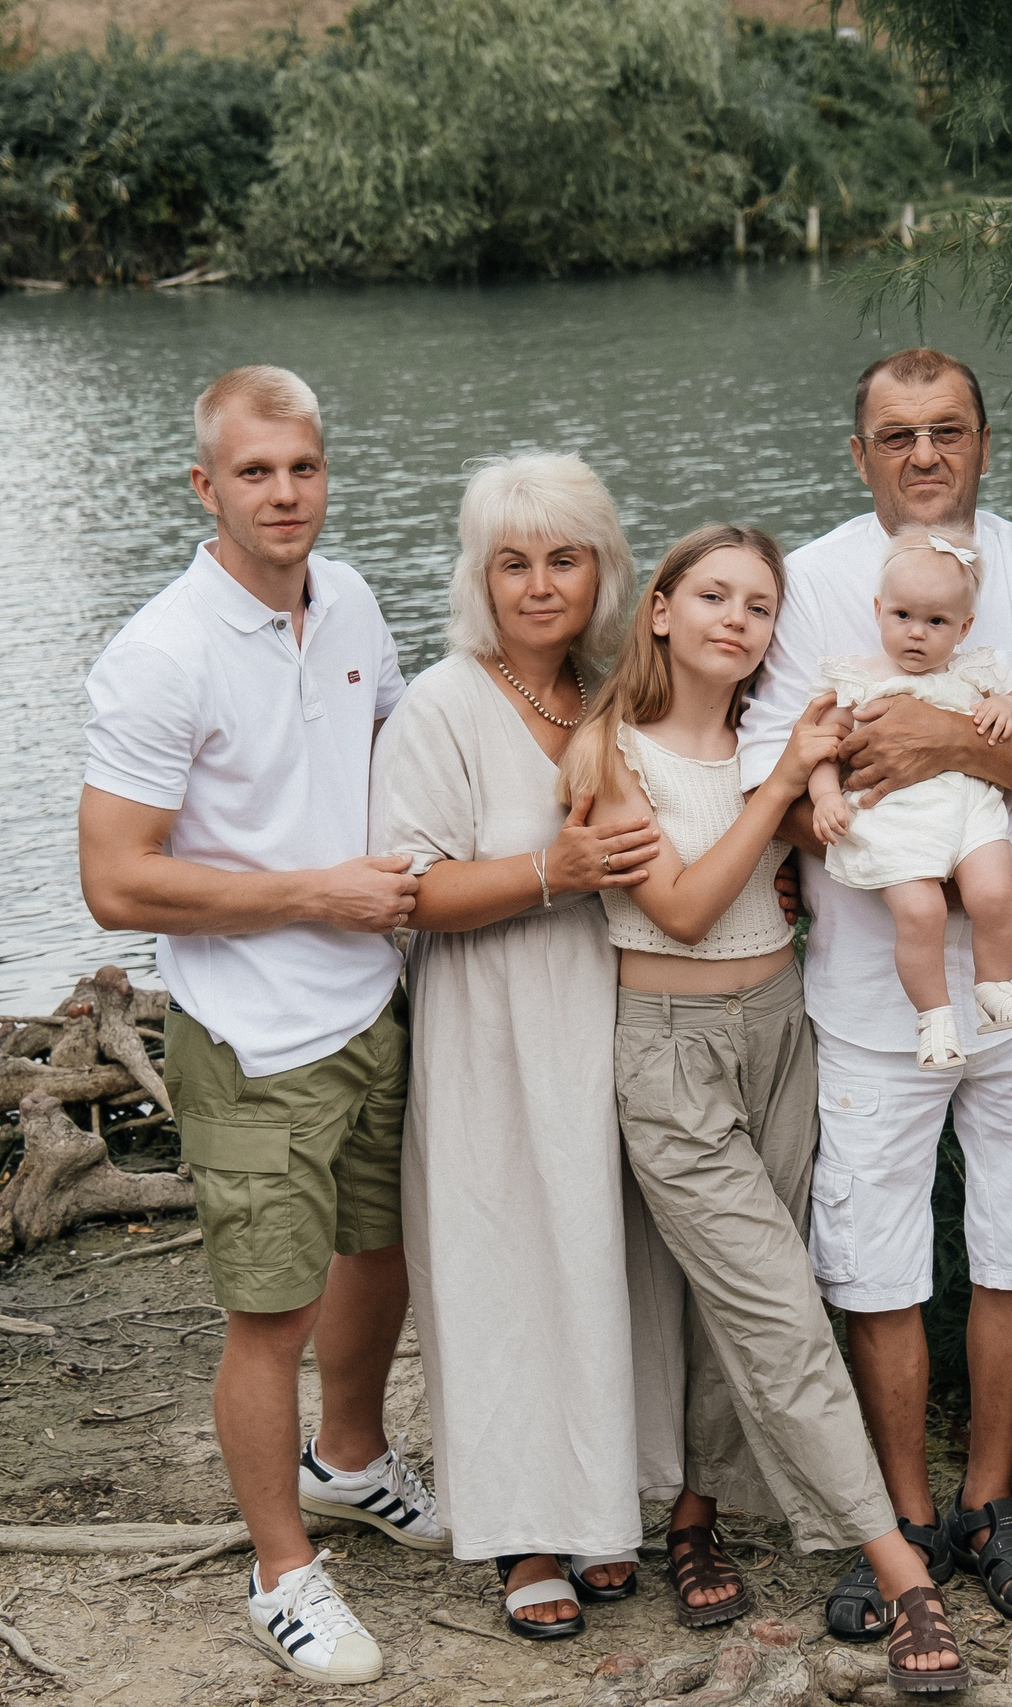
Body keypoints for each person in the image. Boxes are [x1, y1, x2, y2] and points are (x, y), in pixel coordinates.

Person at [77, 365, 445, 1687]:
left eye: (302, 467)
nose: (283, 493)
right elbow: (115, 878)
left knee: (383, 1251)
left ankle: (349, 1459)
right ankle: (282, 1567)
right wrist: (315, 892)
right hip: (250, 1033)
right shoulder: (161, 651)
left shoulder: (345, 598)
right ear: (205, 485)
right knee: (269, 1309)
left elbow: (400, 747)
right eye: (254, 472)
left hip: (370, 1003)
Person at [562, 522, 969, 1690]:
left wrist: (990, 864)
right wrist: (786, 781)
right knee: (783, 1311)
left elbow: (866, 834)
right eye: (712, 597)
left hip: (780, 1027)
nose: (736, 621)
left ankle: (696, 1515)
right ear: (660, 610)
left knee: (735, 1299)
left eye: (758, 605)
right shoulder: (611, 751)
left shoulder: (765, 737)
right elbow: (683, 907)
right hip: (670, 1049)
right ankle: (905, 1576)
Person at [736, 348, 1012, 1637]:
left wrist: (946, 738)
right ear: (859, 454)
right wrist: (813, 828)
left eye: (948, 431)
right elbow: (768, 768)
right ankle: (895, 1522)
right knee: (875, 1254)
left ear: (985, 444)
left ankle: (992, 1504)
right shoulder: (814, 581)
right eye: (897, 436)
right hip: (866, 986)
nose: (925, 455)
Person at [367, 453, 682, 1642]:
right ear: (480, 578)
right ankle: (521, 1532)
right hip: (493, 1020)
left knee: (605, 1257)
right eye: (514, 564)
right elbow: (408, 890)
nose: (539, 584)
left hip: (610, 1009)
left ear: (601, 571)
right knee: (504, 1266)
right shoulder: (444, 704)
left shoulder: (614, 691)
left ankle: (604, 1505)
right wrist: (553, 871)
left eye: (563, 559)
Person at [807, 528, 1012, 1070]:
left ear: (963, 627)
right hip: (895, 817)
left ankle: (995, 986)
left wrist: (1010, 706)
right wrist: (825, 796)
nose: (917, 634)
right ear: (878, 610)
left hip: (968, 810)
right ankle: (934, 1018)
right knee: (921, 912)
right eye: (903, 616)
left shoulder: (974, 674)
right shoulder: (862, 680)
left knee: (992, 893)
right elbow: (822, 747)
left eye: (936, 622)